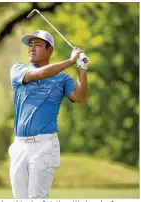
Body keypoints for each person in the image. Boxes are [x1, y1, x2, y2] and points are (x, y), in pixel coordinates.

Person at [8, 30, 89, 199]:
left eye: (37, 45)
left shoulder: (62, 79)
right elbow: (40, 73)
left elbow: (80, 97)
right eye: (30, 45)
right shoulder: (18, 70)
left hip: (44, 145)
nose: (31, 49)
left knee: (37, 197)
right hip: (19, 146)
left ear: (49, 50)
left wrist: (81, 67)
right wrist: (70, 60)